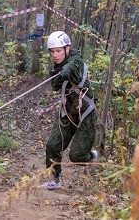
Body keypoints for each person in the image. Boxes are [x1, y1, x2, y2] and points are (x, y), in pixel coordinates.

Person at [41, 31, 98, 190]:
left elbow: (72, 68)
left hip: (86, 112)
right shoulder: (58, 65)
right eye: (52, 52)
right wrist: (56, 76)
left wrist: (63, 73)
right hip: (68, 111)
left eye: (58, 51)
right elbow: (56, 86)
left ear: (67, 48)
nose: (55, 55)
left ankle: (92, 156)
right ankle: (55, 179)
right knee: (52, 145)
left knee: (77, 156)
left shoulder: (76, 60)